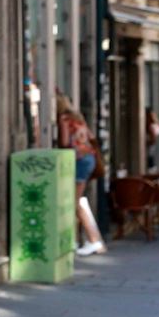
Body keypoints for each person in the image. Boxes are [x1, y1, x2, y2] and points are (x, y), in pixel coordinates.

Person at [56, 93, 106, 256]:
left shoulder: (64, 119)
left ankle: (92, 240)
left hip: (79, 160)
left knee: (74, 202)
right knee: (77, 201)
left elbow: (64, 143)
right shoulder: (78, 117)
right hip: (89, 157)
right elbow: (91, 136)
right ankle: (85, 239)